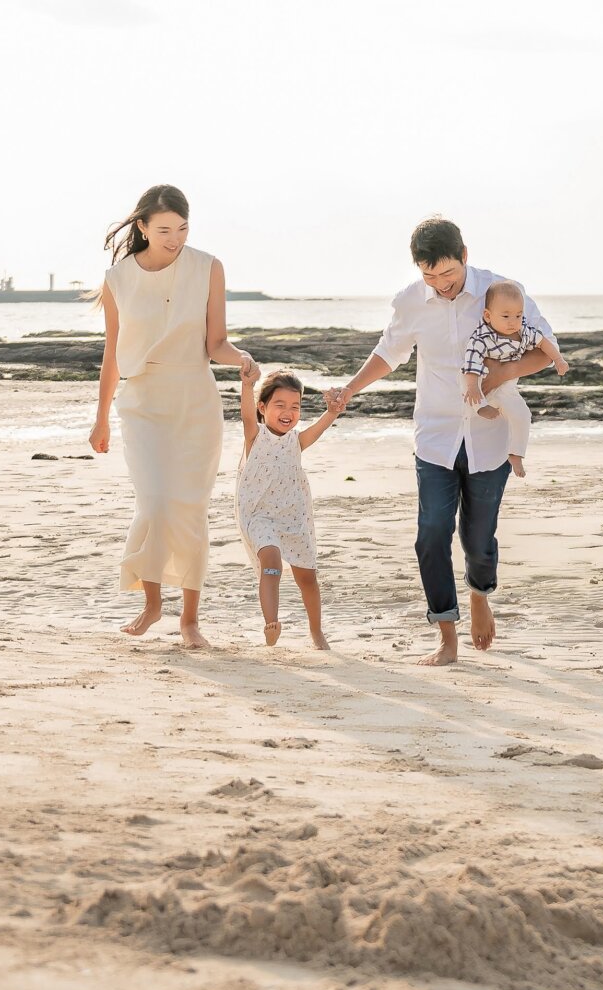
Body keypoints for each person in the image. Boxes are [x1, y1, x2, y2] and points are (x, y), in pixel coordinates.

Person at [332, 217, 557, 666]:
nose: (440, 284)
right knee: (431, 532)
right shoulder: (412, 302)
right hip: (434, 435)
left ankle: (478, 594)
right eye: (429, 276)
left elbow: (546, 347)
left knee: (478, 537)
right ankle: (446, 635)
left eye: (447, 274)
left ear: (464, 257)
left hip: (490, 437)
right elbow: (388, 353)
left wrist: (501, 373)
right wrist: (349, 389)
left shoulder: (501, 292)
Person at [88, 184, 252, 650]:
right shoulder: (117, 278)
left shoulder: (207, 267)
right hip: (142, 402)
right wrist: (101, 418)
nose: (175, 238)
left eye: (182, 229)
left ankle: (190, 620)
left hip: (194, 398)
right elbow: (112, 354)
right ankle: (153, 602)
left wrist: (241, 358)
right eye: (164, 230)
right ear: (141, 226)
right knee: (155, 501)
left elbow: (216, 342)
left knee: (188, 507)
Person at [230, 363, 344, 649]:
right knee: (271, 563)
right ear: (262, 407)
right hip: (259, 516)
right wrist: (246, 385)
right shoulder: (255, 436)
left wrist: (331, 411)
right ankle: (272, 622)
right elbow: (245, 416)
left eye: (295, 406)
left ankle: (316, 631)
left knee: (307, 576)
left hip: (293, 515)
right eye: (279, 404)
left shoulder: (296, 440)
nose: (288, 412)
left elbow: (320, 427)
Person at [462, 279, 568, 476]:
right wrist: (472, 386)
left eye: (518, 315)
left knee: (523, 415)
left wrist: (558, 360)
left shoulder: (523, 332)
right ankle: (480, 406)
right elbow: (470, 361)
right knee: (470, 380)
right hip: (479, 378)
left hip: (506, 386)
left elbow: (543, 342)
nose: (513, 321)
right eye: (505, 316)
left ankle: (516, 454)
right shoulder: (482, 337)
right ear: (488, 315)